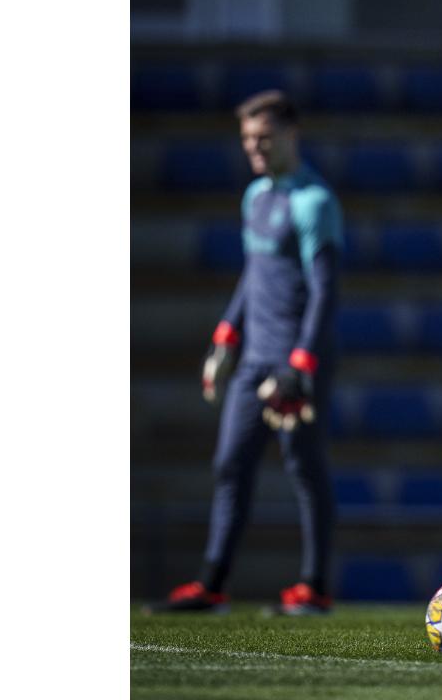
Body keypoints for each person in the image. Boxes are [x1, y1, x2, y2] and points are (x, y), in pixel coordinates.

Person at [146, 90, 343, 616]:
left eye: (263, 138)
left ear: (290, 135)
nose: (254, 148)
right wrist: (226, 334)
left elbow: (323, 289)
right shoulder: (255, 196)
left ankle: (315, 587)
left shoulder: (314, 202)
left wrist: (302, 362)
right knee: (230, 464)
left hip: (294, 362)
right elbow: (254, 275)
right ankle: (212, 584)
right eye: (248, 139)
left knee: (304, 468)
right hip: (253, 358)